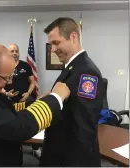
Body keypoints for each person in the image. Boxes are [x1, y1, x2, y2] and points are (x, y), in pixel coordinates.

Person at [0, 43, 70, 167]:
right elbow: (18, 127)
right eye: (5, 78)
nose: (7, 83)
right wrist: (56, 97)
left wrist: (38, 102)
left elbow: (2, 110)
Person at [39, 17, 104, 167]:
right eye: (51, 45)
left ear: (73, 37)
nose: (53, 49)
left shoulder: (87, 72)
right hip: (59, 150)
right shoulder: (73, 67)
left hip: (70, 159)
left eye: (56, 43)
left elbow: (84, 129)